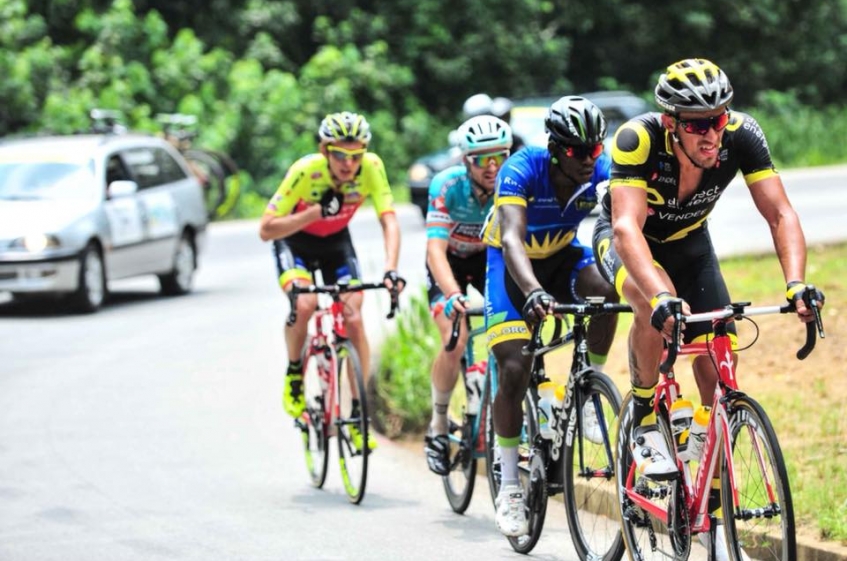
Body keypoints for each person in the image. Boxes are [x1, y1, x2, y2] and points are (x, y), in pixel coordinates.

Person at [592, 58, 825, 560]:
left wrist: (796, 284)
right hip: (625, 241)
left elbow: (780, 212)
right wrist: (658, 296)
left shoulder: (742, 135)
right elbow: (628, 228)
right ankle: (644, 413)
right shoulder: (637, 139)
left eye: (718, 118)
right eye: (697, 123)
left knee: (720, 364)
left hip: (690, 243)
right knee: (653, 301)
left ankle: (710, 511)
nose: (711, 132)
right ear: (672, 122)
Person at [483, 95, 620, 536]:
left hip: (562, 256)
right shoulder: (521, 168)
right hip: (513, 266)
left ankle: (586, 400)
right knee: (514, 367)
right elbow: (511, 241)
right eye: (579, 152)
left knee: (607, 294)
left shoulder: (599, 172)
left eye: (595, 149)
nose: (589, 160)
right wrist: (535, 291)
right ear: (556, 148)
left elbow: (622, 226)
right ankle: (508, 484)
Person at [259, 111, 404, 452]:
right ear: (325, 150)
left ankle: (357, 412)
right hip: (294, 242)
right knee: (305, 303)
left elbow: (390, 221)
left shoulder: (372, 168)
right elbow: (266, 229)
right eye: (340, 154)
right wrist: (313, 213)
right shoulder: (305, 171)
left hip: (337, 245)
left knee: (353, 316)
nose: (349, 164)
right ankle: (295, 372)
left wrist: (391, 268)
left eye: (356, 156)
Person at [422, 115, 514, 476]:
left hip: (490, 259)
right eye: (482, 160)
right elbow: (435, 251)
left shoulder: (514, 180)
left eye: (500, 157)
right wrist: (453, 295)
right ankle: (439, 425)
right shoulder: (447, 185)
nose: (492, 167)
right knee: (455, 339)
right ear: (465, 160)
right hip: (452, 264)